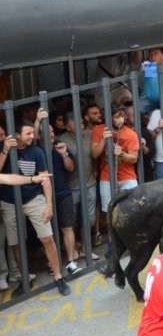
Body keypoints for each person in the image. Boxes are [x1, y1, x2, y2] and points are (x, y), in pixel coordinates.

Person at [1, 122, 69, 296]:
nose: (32, 137)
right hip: (9, 202)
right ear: (17, 134)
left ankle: (59, 276)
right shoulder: (4, 149)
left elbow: (45, 178)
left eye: (33, 133)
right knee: (16, 244)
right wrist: (5, 151)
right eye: (28, 133)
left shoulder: (37, 152)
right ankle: (25, 280)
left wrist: (48, 205)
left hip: (33, 199)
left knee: (47, 238)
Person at [58, 112, 98, 261]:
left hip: (90, 183)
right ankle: (73, 249)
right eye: (77, 123)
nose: (82, 125)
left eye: (82, 122)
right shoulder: (61, 140)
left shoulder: (89, 134)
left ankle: (85, 250)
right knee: (72, 221)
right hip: (71, 187)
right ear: (68, 127)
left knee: (89, 219)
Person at [46, 126, 82, 276]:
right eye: (48, 133)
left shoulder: (60, 147)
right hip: (44, 196)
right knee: (48, 233)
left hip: (63, 193)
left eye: (52, 131)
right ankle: (52, 263)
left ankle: (71, 262)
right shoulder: (37, 150)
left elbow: (71, 168)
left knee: (67, 227)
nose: (52, 134)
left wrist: (64, 155)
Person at [91, 106, 140, 214]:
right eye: (117, 117)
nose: (121, 120)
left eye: (122, 116)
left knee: (132, 210)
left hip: (127, 177)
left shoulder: (131, 134)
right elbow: (94, 154)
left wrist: (121, 154)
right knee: (109, 211)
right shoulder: (98, 130)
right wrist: (103, 139)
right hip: (107, 177)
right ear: (109, 118)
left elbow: (134, 159)